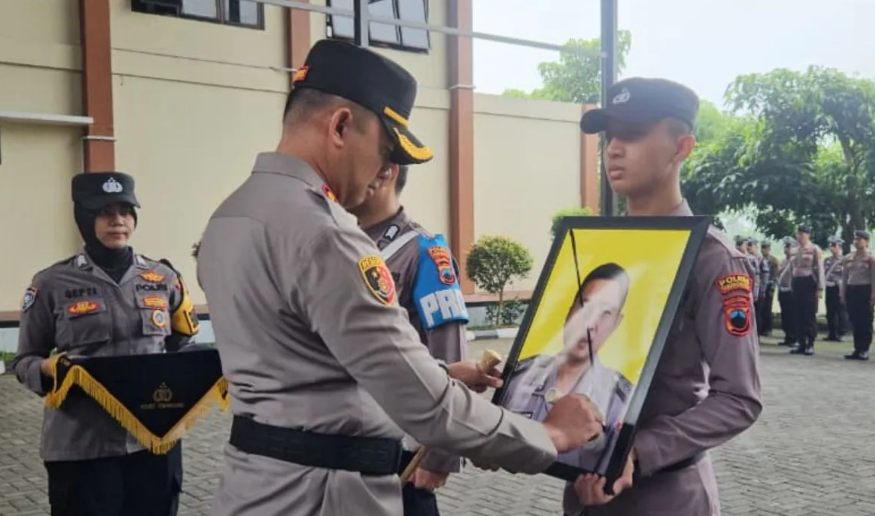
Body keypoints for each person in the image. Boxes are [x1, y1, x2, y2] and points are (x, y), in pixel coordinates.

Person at [195, 39, 605, 516]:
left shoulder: (229, 217)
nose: (382, 171)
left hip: (253, 487)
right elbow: (427, 407)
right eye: (384, 148)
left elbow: (310, 365)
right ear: (340, 125)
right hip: (321, 497)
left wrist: (442, 373)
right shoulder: (326, 235)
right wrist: (547, 434)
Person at [570, 77, 763, 516]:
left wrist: (638, 451)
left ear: (682, 148)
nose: (614, 149)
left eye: (633, 134)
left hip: (664, 498)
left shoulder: (711, 259)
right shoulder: (594, 249)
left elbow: (740, 398)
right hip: (583, 493)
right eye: (610, 136)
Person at [11, 171, 199, 516]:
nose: (118, 221)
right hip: (83, 446)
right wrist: (48, 370)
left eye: (126, 211)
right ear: (84, 218)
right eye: (104, 212)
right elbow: (24, 360)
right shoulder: (52, 283)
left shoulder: (163, 278)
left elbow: (182, 347)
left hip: (154, 441)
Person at [348, 163, 468, 516]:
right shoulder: (344, 241)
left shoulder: (423, 252)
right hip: (346, 444)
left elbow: (451, 356)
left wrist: (438, 455)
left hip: (399, 450)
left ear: (386, 173)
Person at [502, 263, 633, 475]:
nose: (590, 324)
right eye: (585, 307)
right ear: (570, 311)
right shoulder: (518, 378)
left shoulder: (620, 402)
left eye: (605, 313)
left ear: (617, 323)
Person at [789, 225, 825, 356]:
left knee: (809, 314)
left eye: (802, 234)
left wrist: (820, 287)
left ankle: (810, 343)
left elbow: (820, 269)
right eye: (798, 234)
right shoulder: (794, 250)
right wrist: (790, 284)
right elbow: (791, 269)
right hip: (797, 282)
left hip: (809, 283)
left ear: (808, 235)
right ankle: (801, 343)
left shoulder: (814, 249)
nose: (799, 237)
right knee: (798, 314)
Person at [841, 230, 875, 361]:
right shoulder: (849, 257)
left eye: (859, 239)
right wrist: (843, 292)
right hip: (852, 290)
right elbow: (844, 277)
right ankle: (857, 348)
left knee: (865, 320)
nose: (856, 242)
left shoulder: (871, 258)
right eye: (855, 239)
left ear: (866, 242)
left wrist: (873, 294)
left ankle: (864, 349)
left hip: (864, 290)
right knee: (854, 320)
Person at [824, 236, 847, 342]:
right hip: (830, 287)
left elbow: (846, 275)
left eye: (833, 245)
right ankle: (832, 333)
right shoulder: (827, 260)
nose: (831, 247)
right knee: (830, 311)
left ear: (839, 246)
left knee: (841, 311)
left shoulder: (844, 260)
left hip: (839, 288)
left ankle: (841, 333)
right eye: (830, 245)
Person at [777, 237, 799, 347]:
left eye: (788, 246)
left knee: (793, 316)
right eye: (785, 246)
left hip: (792, 291)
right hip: (783, 290)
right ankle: (788, 337)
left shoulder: (796, 261)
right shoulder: (783, 261)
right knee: (785, 316)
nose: (786, 249)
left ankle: (795, 338)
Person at [758, 241, 779, 337]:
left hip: (769, 285)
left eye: (765, 248)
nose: (763, 250)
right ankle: (762, 328)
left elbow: (775, 276)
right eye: (762, 248)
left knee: (768, 307)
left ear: (769, 249)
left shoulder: (773, 260)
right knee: (761, 308)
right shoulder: (760, 259)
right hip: (762, 286)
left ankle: (768, 328)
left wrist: (772, 289)